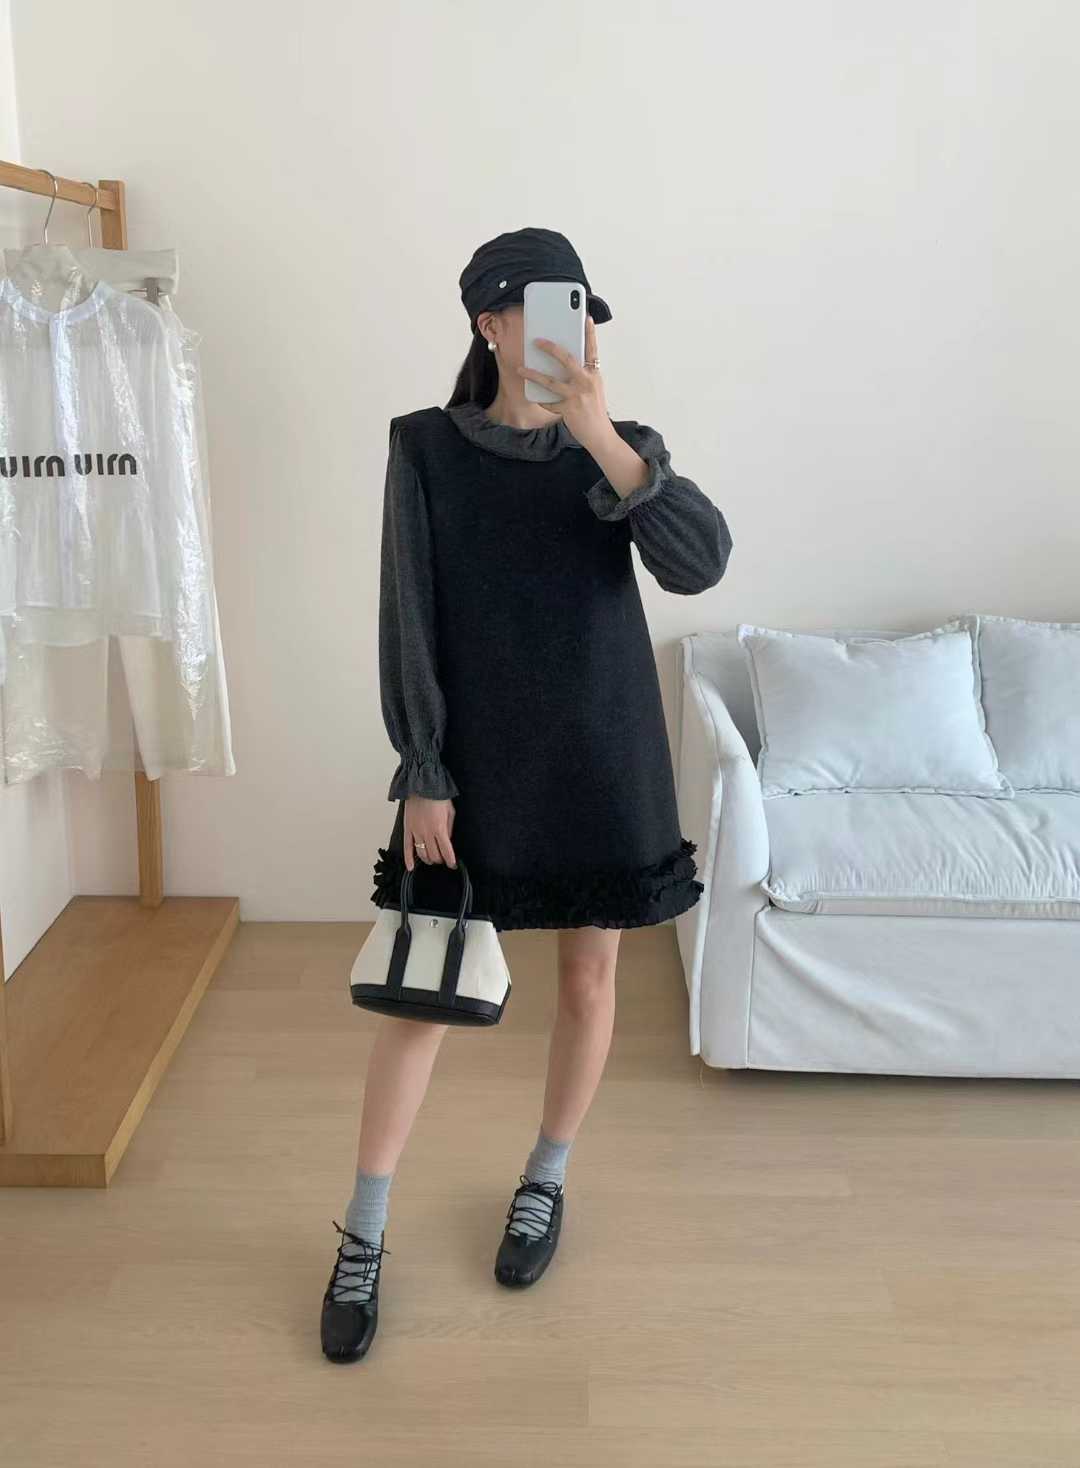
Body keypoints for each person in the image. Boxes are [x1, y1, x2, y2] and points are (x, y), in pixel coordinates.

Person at [320, 227, 733, 1363]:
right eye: (554, 308)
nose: (576, 329)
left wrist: (599, 435)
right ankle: (364, 1228)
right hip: (475, 766)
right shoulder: (424, 447)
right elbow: (408, 616)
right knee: (420, 998)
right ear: (491, 324)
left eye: (586, 310)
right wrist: (425, 769)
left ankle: (545, 1178)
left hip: (601, 754)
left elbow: (701, 562)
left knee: (591, 980)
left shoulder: (623, 453)